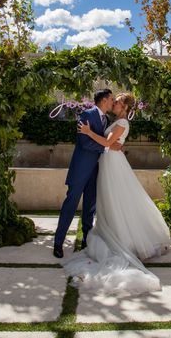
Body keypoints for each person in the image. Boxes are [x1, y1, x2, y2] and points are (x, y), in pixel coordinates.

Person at [62, 92, 171, 295]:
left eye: (118, 102)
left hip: (113, 164)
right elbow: (110, 143)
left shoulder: (122, 122)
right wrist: (112, 142)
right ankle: (116, 231)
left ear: (125, 107)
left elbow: (105, 143)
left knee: (118, 199)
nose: (114, 103)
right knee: (111, 201)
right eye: (114, 100)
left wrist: (87, 132)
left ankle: (126, 239)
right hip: (108, 162)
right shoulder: (116, 121)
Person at [53, 89, 122, 259]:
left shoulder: (105, 119)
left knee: (90, 208)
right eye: (112, 99)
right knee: (70, 205)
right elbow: (84, 142)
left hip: (95, 170)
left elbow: (103, 139)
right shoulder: (86, 115)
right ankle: (58, 243)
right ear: (104, 100)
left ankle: (87, 239)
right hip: (80, 169)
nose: (113, 102)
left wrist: (110, 145)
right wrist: (107, 147)